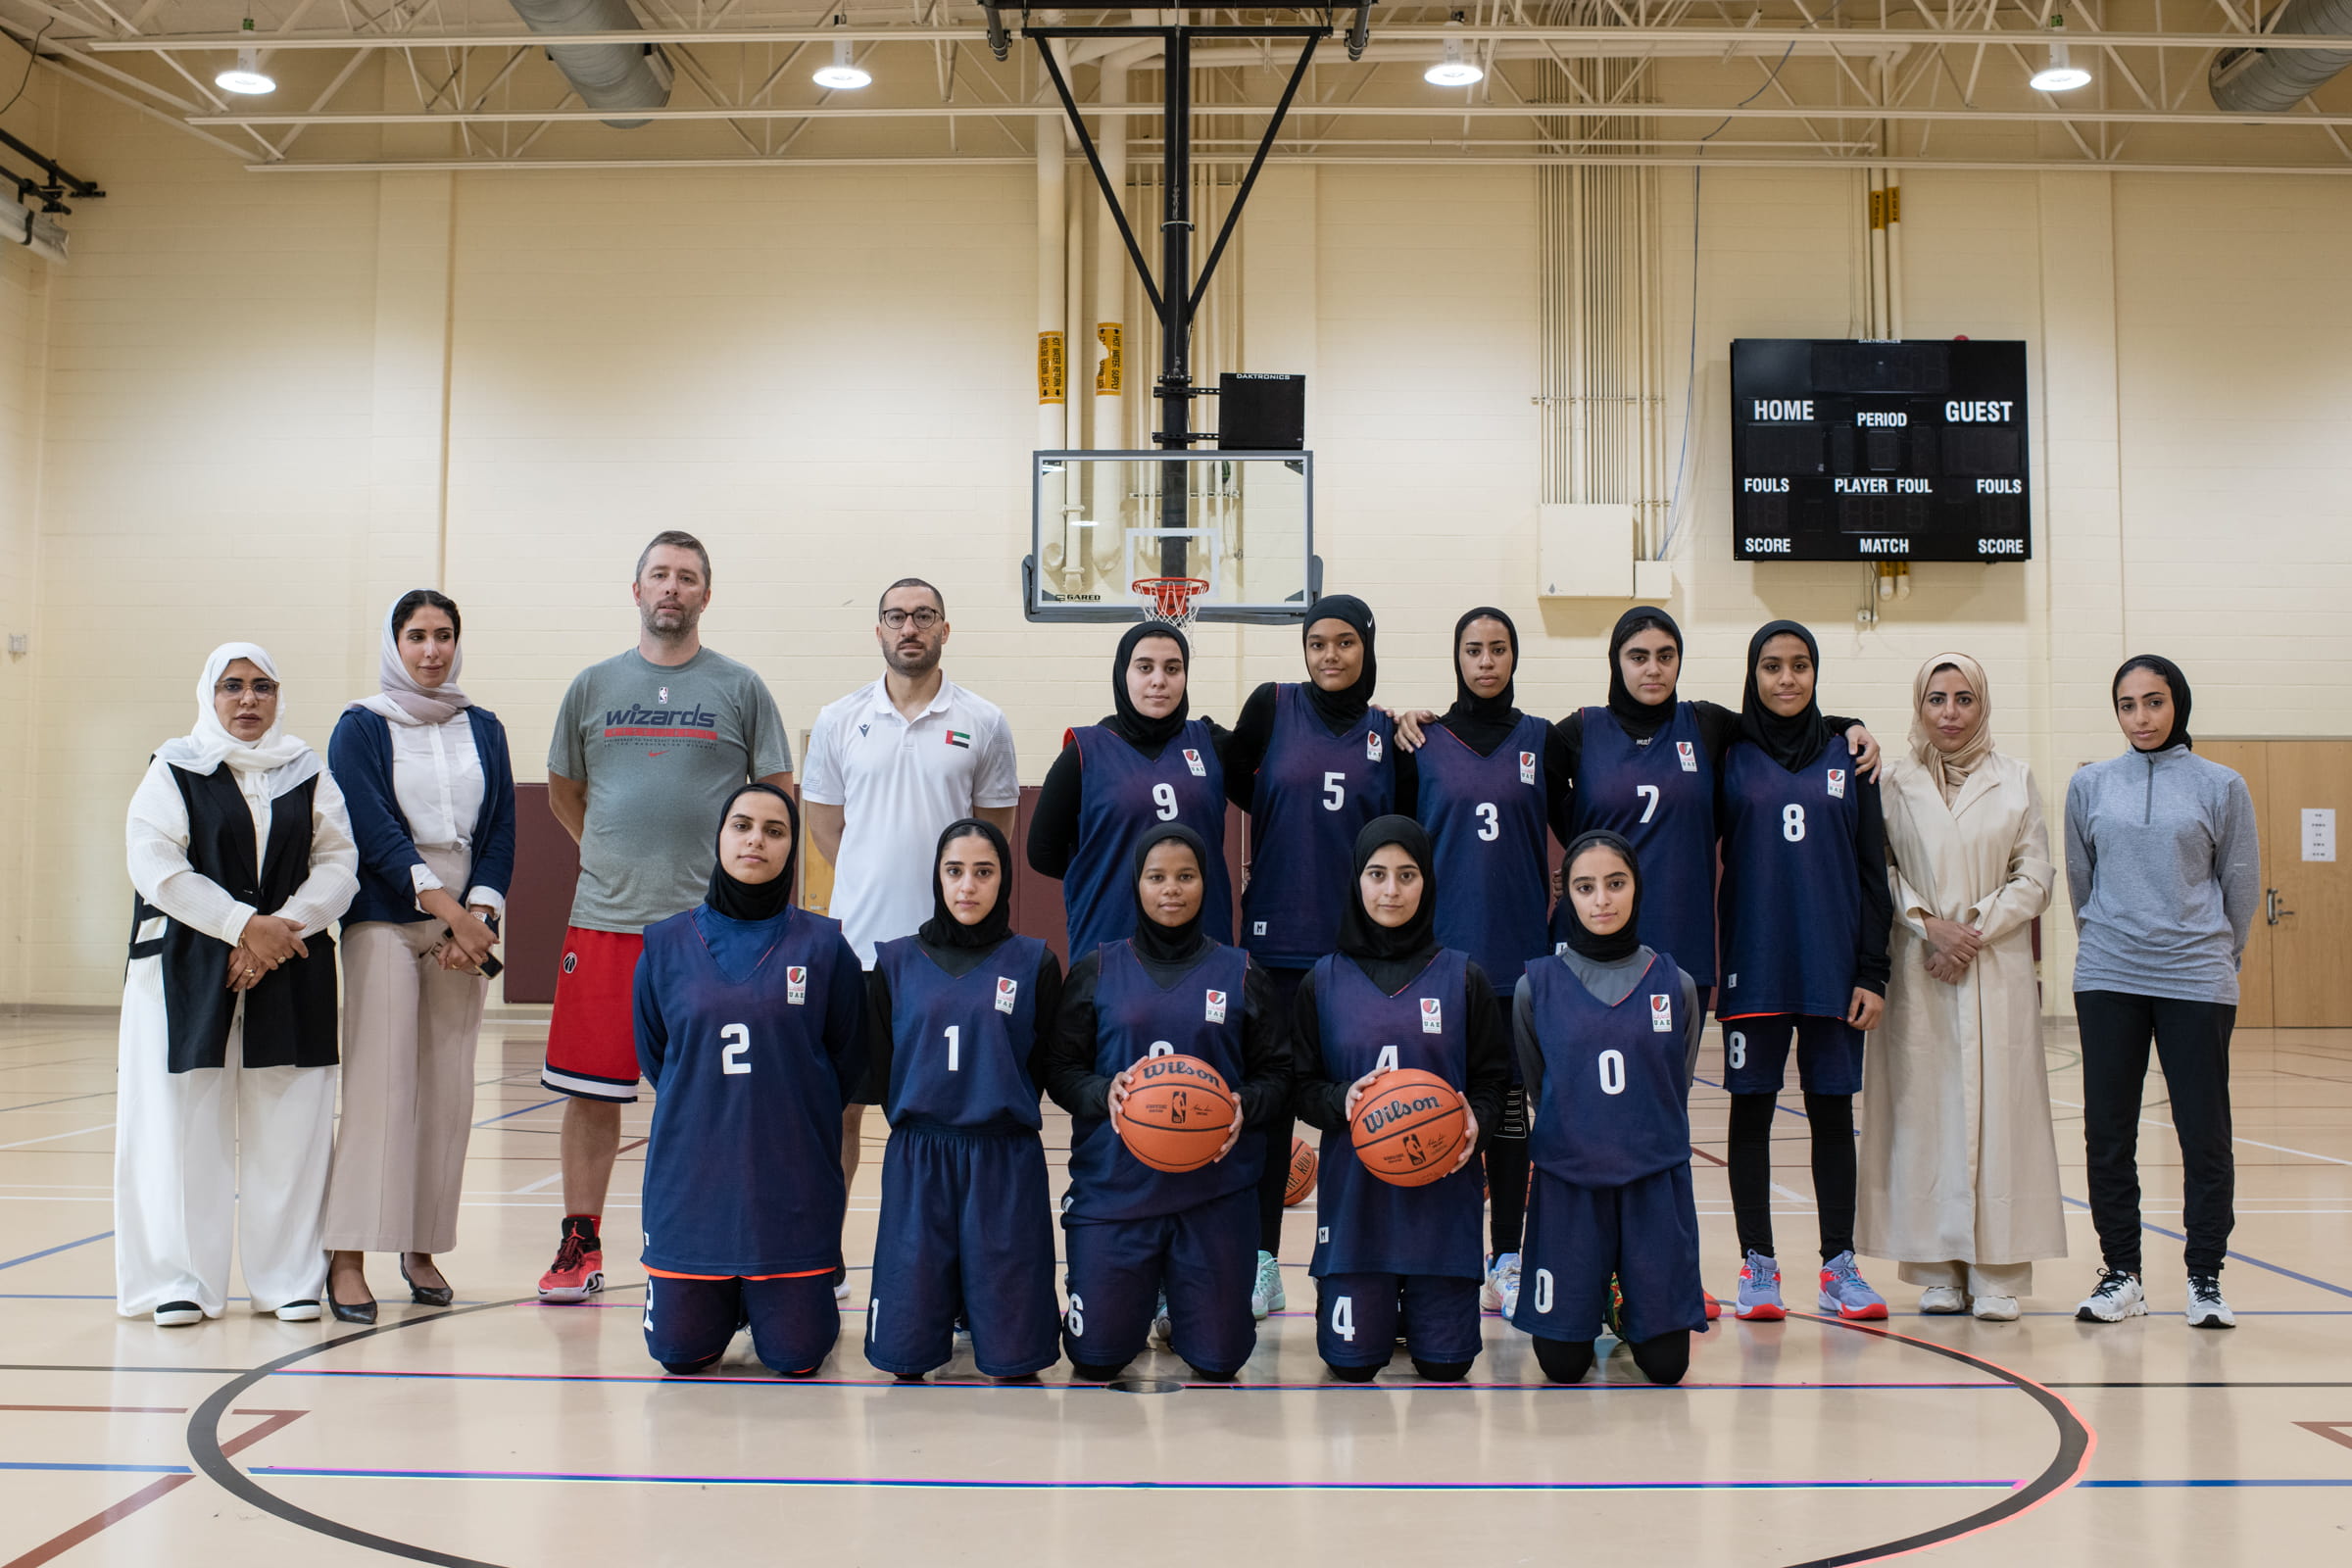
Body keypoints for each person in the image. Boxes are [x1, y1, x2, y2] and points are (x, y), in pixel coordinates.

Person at [539, 530, 794, 1302]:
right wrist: (617, 858)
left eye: (687, 578)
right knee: (592, 1094)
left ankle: (722, 1245)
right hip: (605, 922)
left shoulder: (740, 688)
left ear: (706, 595)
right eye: (660, 575)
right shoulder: (591, 686)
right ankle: (580, 1243)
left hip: (708, 933)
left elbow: (775, 793)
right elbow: (564, 794)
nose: (672, 589)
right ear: (637, 590)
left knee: (718, 1095)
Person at [117, 643, 359, 1327]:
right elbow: (154, 864)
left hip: (290, 963)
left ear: (279, 696)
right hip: (187, 968)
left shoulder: (306, 770)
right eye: (232, 686)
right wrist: (240, 925)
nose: (248, 700)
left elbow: (339, 863)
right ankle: (179, 1280)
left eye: (262, 686)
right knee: (185, 1123)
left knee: (291, 1121)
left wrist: (280, 928)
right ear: (209, 695)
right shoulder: (173, 768)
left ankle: (286, 1278)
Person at [803, 578, 1019, 1271]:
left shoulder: (983, 721)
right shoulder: (840, 718)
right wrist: (878, 876)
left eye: (924, 616)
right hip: (860, 953)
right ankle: (821, 1257)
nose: (910, 628)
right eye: (896, 617)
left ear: (945, 630)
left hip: (950, 963)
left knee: (945, 1120)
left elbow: (993, 838)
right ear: (878, 632)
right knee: (839, 1114)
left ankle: (949, 1271)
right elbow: (827, 829)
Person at [322, 591, 517, 1323]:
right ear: (394, 643)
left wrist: (484, 914)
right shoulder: (361, 727)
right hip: (387, 916)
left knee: (448, 1090)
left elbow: (500, 828)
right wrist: (453, 915)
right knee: (381, 1085)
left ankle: (421, 1244)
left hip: (466, 922)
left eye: (442, 636)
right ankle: (346, 1253)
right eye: (416, 636)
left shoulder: (485, 728)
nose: (430, 650)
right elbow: (374, 832)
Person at [1040, 825, 1294, 1383]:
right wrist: (1100, 1090)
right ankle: (1138, 1297)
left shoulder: (1242, 972)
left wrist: (1242, 1104)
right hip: (1116, 1193)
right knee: (1097, 1358)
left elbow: (1280, 1075)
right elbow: (1059, 1070)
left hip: (1213, 1195)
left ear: (1206, 883)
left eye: (1186, 876)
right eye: (1157, 877)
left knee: (1220, 1361)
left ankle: (1179, 1300)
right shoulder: (1096, 969)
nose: (1171, 889)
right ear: (1137, 884)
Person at [1222, 594, 1412, 1319]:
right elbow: (1235, 781)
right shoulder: (1271, 708)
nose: (1329, 656)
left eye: (1344, 643)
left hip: (1357, 956)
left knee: (1366, 1109)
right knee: (1270, 1115)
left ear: (1367, 648)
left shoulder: (1387, 734)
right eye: (1316, 643)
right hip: (1273, 946)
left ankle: (1367, 1261)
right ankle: (1262, 1261)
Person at [633, 785, 865, 1377]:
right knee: (679, 1355)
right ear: (719, 837)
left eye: (774, 830)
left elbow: (845, 1060)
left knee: (796, 1357)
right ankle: (725, 1295)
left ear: (792, 848)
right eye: (742, 826)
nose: (755, 840)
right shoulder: (664, 944)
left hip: (789, 1190)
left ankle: (765, 1294)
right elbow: (658, 1059)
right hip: (692, 1189)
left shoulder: (825, 945)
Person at [1859, 654, 2061, 1322]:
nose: (1950, 712)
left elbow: (2035, 875)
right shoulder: (1892, 784)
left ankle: (1997, 1271)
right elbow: (1879, 869)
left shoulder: (2016, 781)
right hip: (1919, 968)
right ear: (1919, 706)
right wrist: (1927, 925)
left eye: (1964, 698)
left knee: (2002, 1118)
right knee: (1924, 1118)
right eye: (1937, 698)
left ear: (1983, 705)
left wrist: (1972, 928)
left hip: (1992, 967)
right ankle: (1936, 1267)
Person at [1386, 608, 1570, 1322]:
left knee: (1510, 1122)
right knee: (1432, 1118)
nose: (1486, 661)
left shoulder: (1542, 742)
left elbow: (1584, 839)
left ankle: (1509, 1257)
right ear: (1456, 657)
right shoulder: (1421, 742)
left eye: (1498, 649)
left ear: (1514, 658)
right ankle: (1437, 1258)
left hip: (1521, 965)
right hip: (1438, 966)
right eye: (1473, 649)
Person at [2066, 655, 2258, 1331]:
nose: (2141, 717)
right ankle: (2123, 1274)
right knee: (2108, 1132)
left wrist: (2209, 955)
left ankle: (2205, 1277)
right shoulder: (2090, 785)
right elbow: (2081, 884)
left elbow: (2238, 888)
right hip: (2110, 975)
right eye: (2127, 705)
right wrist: (2110, 944)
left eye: (2153, 702)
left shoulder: (2222, 785)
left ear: (2178, 703)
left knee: (2204, 1134)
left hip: (2196, 978)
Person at [1715, 620, 1892, 1322]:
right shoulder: (1726, 749)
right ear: (1752, 675)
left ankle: (1838, 1266)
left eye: (1800, 666)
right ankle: (1757, 1265)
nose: (1786, 679)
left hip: (1832, 967)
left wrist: (1873, 972)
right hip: (1753, 966)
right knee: (1751, 1112)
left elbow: (1873, 873)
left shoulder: (1849, 755)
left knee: (1830, 1114)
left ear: (1816, 674)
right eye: (1771, 666)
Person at [1292, 817, 1508, 1383]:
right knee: (1350, 1365)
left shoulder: (1465, 978)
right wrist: (1341, 1099)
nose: (1391, 890)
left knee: (1447, 1366)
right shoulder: (1323, 980)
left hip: (1442, 1204)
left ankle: (1421, 1312)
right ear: (1357, 882)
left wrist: (1474, 1123)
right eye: (1377, 874)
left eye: (1407, 875)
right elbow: (1300, 1084)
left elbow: (1493, 1080)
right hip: (1357, 1208)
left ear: (1427, 882)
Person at [864, 820, 1062, 1382]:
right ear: (937, 878)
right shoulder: (896, 963)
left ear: (1004, 881)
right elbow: (883, 1070)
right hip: (919, 1158)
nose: (968, 886)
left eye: (984, 871)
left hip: (1004, 1158)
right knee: (904, 1360)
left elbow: (1045, 1066)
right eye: (955, 871)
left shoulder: (1035, 964)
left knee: (1015, 1361)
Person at [1511, 832, 1706, 1386]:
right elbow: (1539, 1086)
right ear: (1567, 896)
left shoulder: (1678, 985)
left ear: (1636, 889)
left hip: (1653, 1180)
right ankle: (1594, 1290)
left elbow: (1676, 1082)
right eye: (1585, 887)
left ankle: (1624, 1300)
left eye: (1615, 884)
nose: (1602, 900)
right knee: (1562, 1367)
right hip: (1569, 1180)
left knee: (1667, 1368)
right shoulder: (1535, 987)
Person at [1025, 619, 1236, 959]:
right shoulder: (1084, 750)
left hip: (1203, 941)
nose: (1159, 680)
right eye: (1144, 667)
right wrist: (1108, 871)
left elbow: (1272, 793)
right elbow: (1041, 851)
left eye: (1172, 668)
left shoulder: (1211, 743)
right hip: (1110, 938)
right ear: (1124, 673)